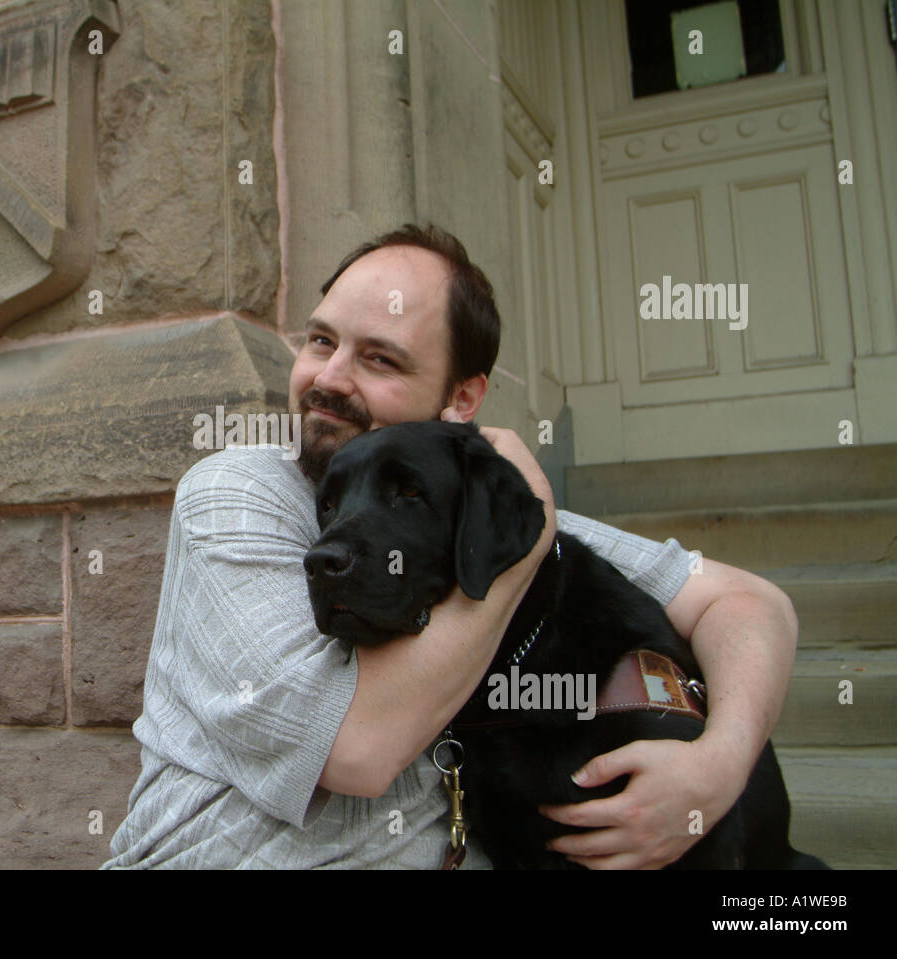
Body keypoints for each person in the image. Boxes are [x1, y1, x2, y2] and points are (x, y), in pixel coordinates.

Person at [101, 223, 798, 869]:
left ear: (462, 399)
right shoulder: (238, 492)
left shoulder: (481, 502)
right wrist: (522, 550)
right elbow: (358, 749)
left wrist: (717, 767)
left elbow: (750, 601)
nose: (329, 378)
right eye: (320, 341)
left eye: (379, 357)